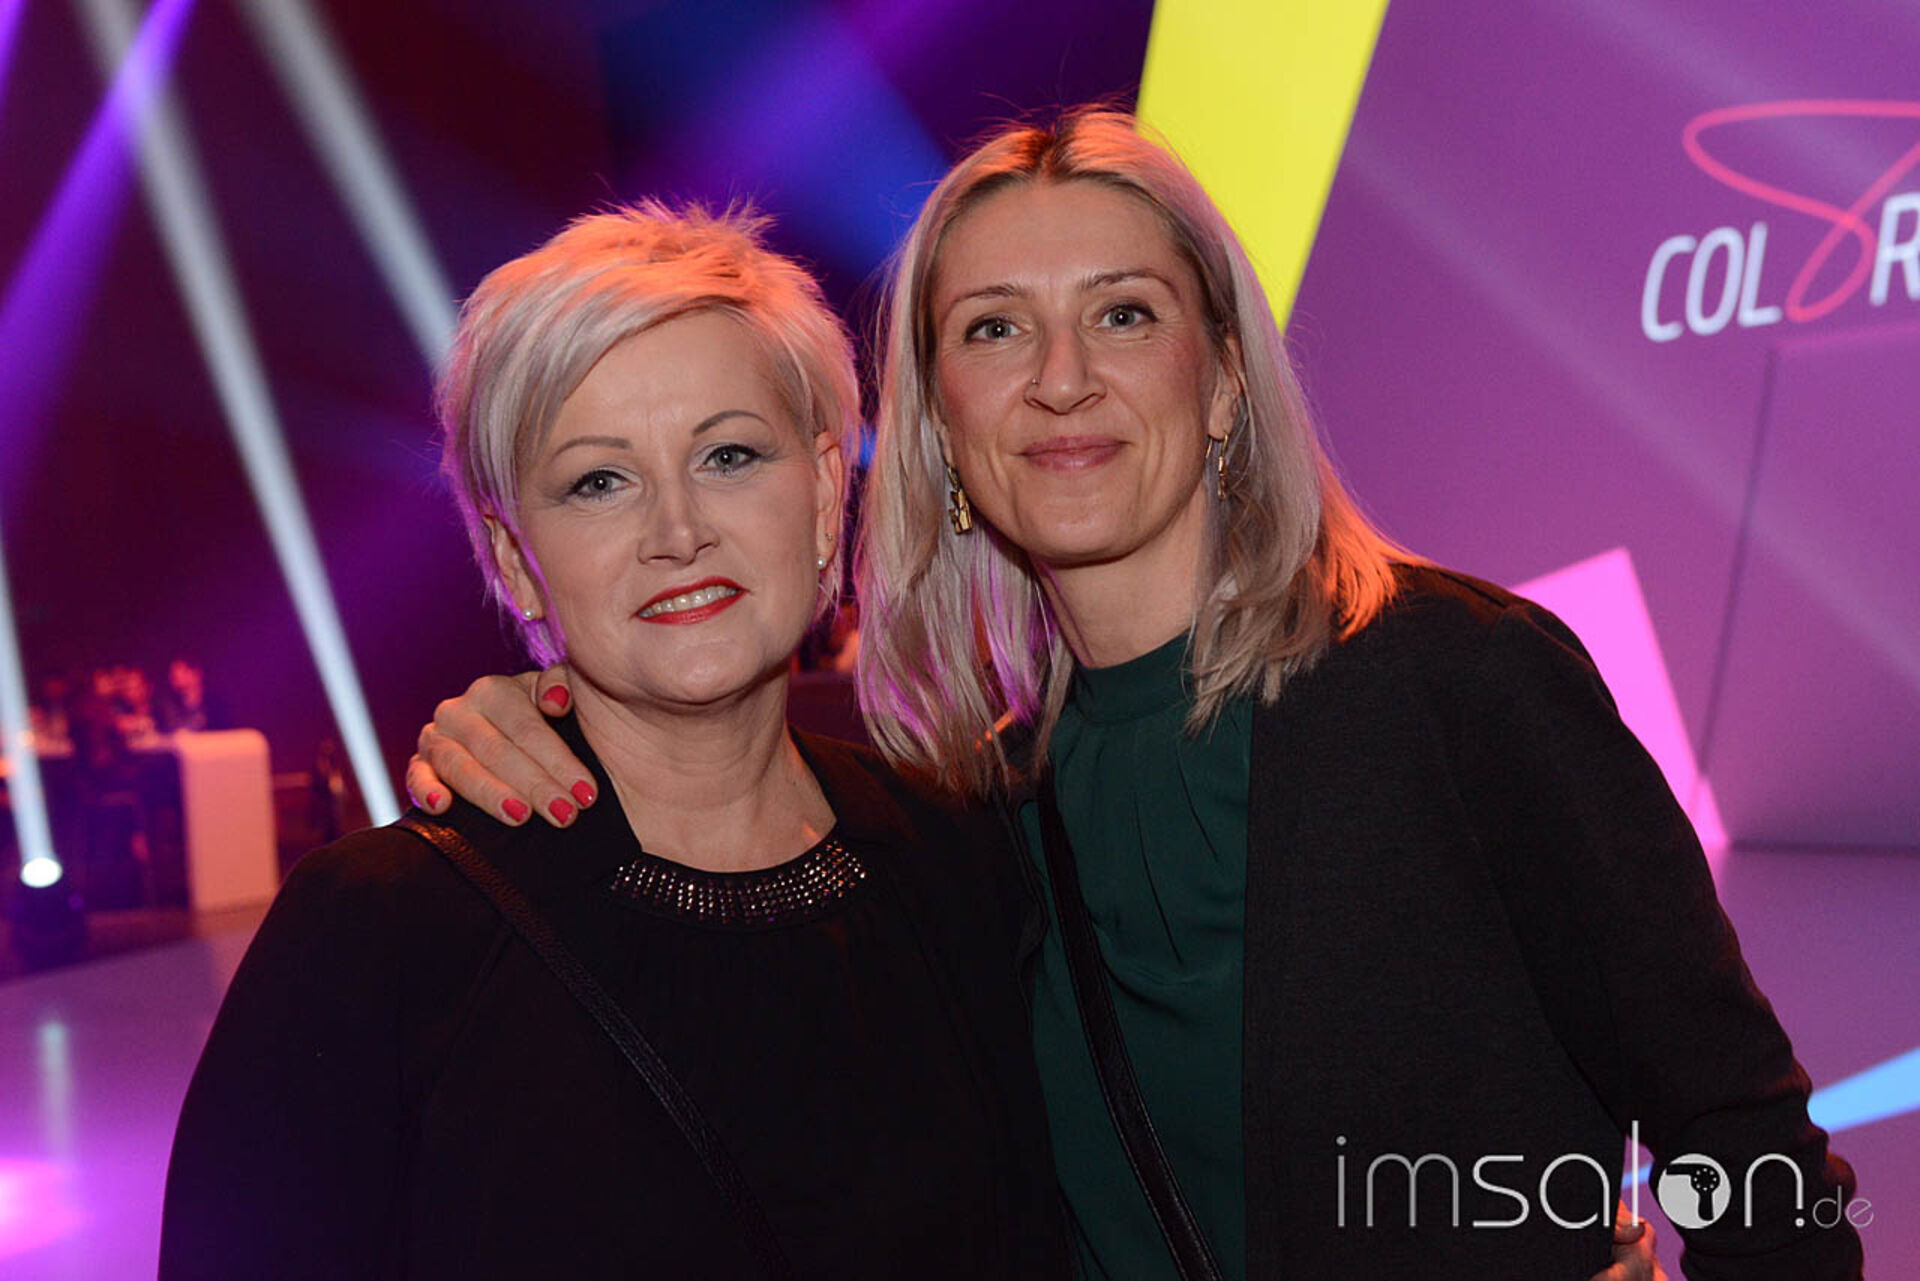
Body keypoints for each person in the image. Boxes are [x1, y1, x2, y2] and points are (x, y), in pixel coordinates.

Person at [405, 113, 1737, 1280]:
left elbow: (1746, 1140)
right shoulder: (981, 814)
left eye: (1123, 313)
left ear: (1223, 379)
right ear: (940, 425)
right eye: (994, 328)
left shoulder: (1454, 685)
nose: (1060, 378)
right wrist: (532, 709)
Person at [160, 202, 1066, 1278]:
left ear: (826, 495)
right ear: (513, 556)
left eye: (729, 455)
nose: (678, 532)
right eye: (599, 482)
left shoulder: (961, 863)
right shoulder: (381, 936)